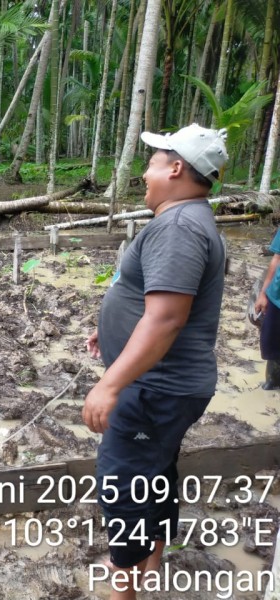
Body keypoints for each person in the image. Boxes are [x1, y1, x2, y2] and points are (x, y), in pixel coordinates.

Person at [83, 124, 228, 599]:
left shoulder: (180, 227)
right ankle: (149, 561)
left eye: (151, 162)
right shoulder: (187, 219)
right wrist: (110, 332)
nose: (145, 173)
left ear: (176, 167)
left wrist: (110, 383)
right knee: (155, 471)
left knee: (124, 483)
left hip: (155, 387)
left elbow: (166, 319)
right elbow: (154, 305)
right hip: (160, 381)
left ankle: (124, 587)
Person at [251, 233, 280, 390]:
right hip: (276, 295)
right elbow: (277, 258)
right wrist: (263, 293)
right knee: (272, 342)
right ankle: (272, 380)